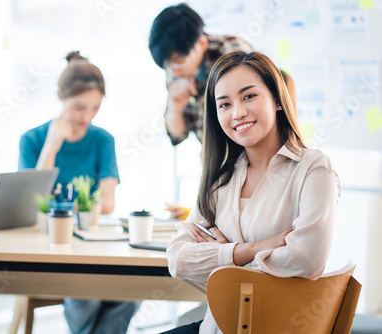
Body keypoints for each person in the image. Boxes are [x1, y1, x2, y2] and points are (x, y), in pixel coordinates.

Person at [162, 51, 339, 333]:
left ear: (278, 100)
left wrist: (223, 256)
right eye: (224, 104)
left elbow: (306, 259)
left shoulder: (313, 168)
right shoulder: (221, 176)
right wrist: (251, 249)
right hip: (219, 326)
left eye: (249, 96)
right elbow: (178, 260)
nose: (238, 113)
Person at [19, 51, 140, 334]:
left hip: (94, 249)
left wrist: (64, 207)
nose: (87, 116)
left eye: (95, 108)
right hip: (50, 251)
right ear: (60, 95)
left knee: (133, 291)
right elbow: (31, 205)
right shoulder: (32, 140)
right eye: (78, 107)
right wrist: (51, 146)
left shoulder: (102, 139)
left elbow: (107, 203)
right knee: (86, 293)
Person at [149, 3, 253, 146]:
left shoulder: (232, 54)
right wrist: (175, 107)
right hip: (212, 154)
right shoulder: (174, 68)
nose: (173, 70)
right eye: (167, 65)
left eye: (179, 61)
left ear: (202, 43)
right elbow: (176, 135)